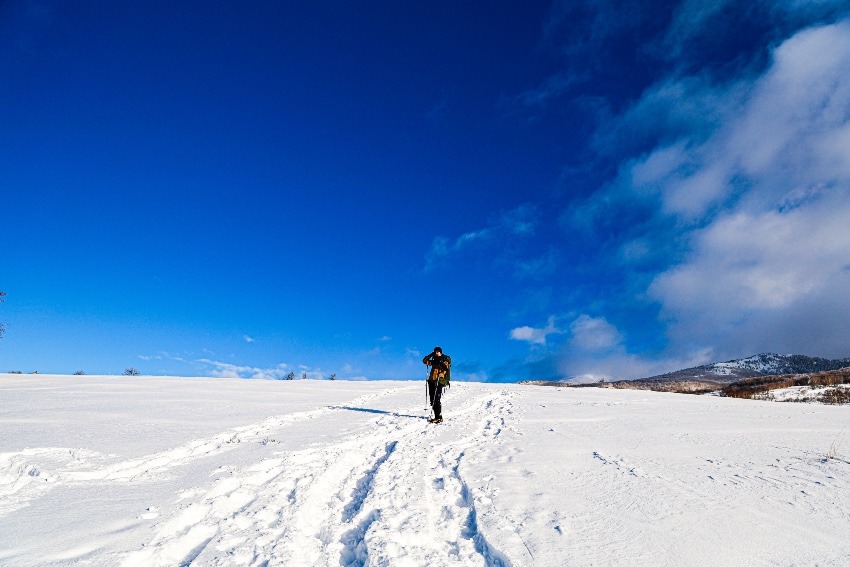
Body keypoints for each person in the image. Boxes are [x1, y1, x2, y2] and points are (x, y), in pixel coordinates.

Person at [423, 346, 451, 423]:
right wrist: (430, 355)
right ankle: (437, 416)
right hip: (432, 380)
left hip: (439, 381)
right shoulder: (434, 360)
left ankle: (438, 417)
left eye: (438, 351)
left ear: (441, 352)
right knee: (432, 399)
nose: (436, 353)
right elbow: (425, 361)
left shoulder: (445, 359)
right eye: (435, 351)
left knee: (436, 399)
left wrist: (440, 363)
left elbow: (445, 368)